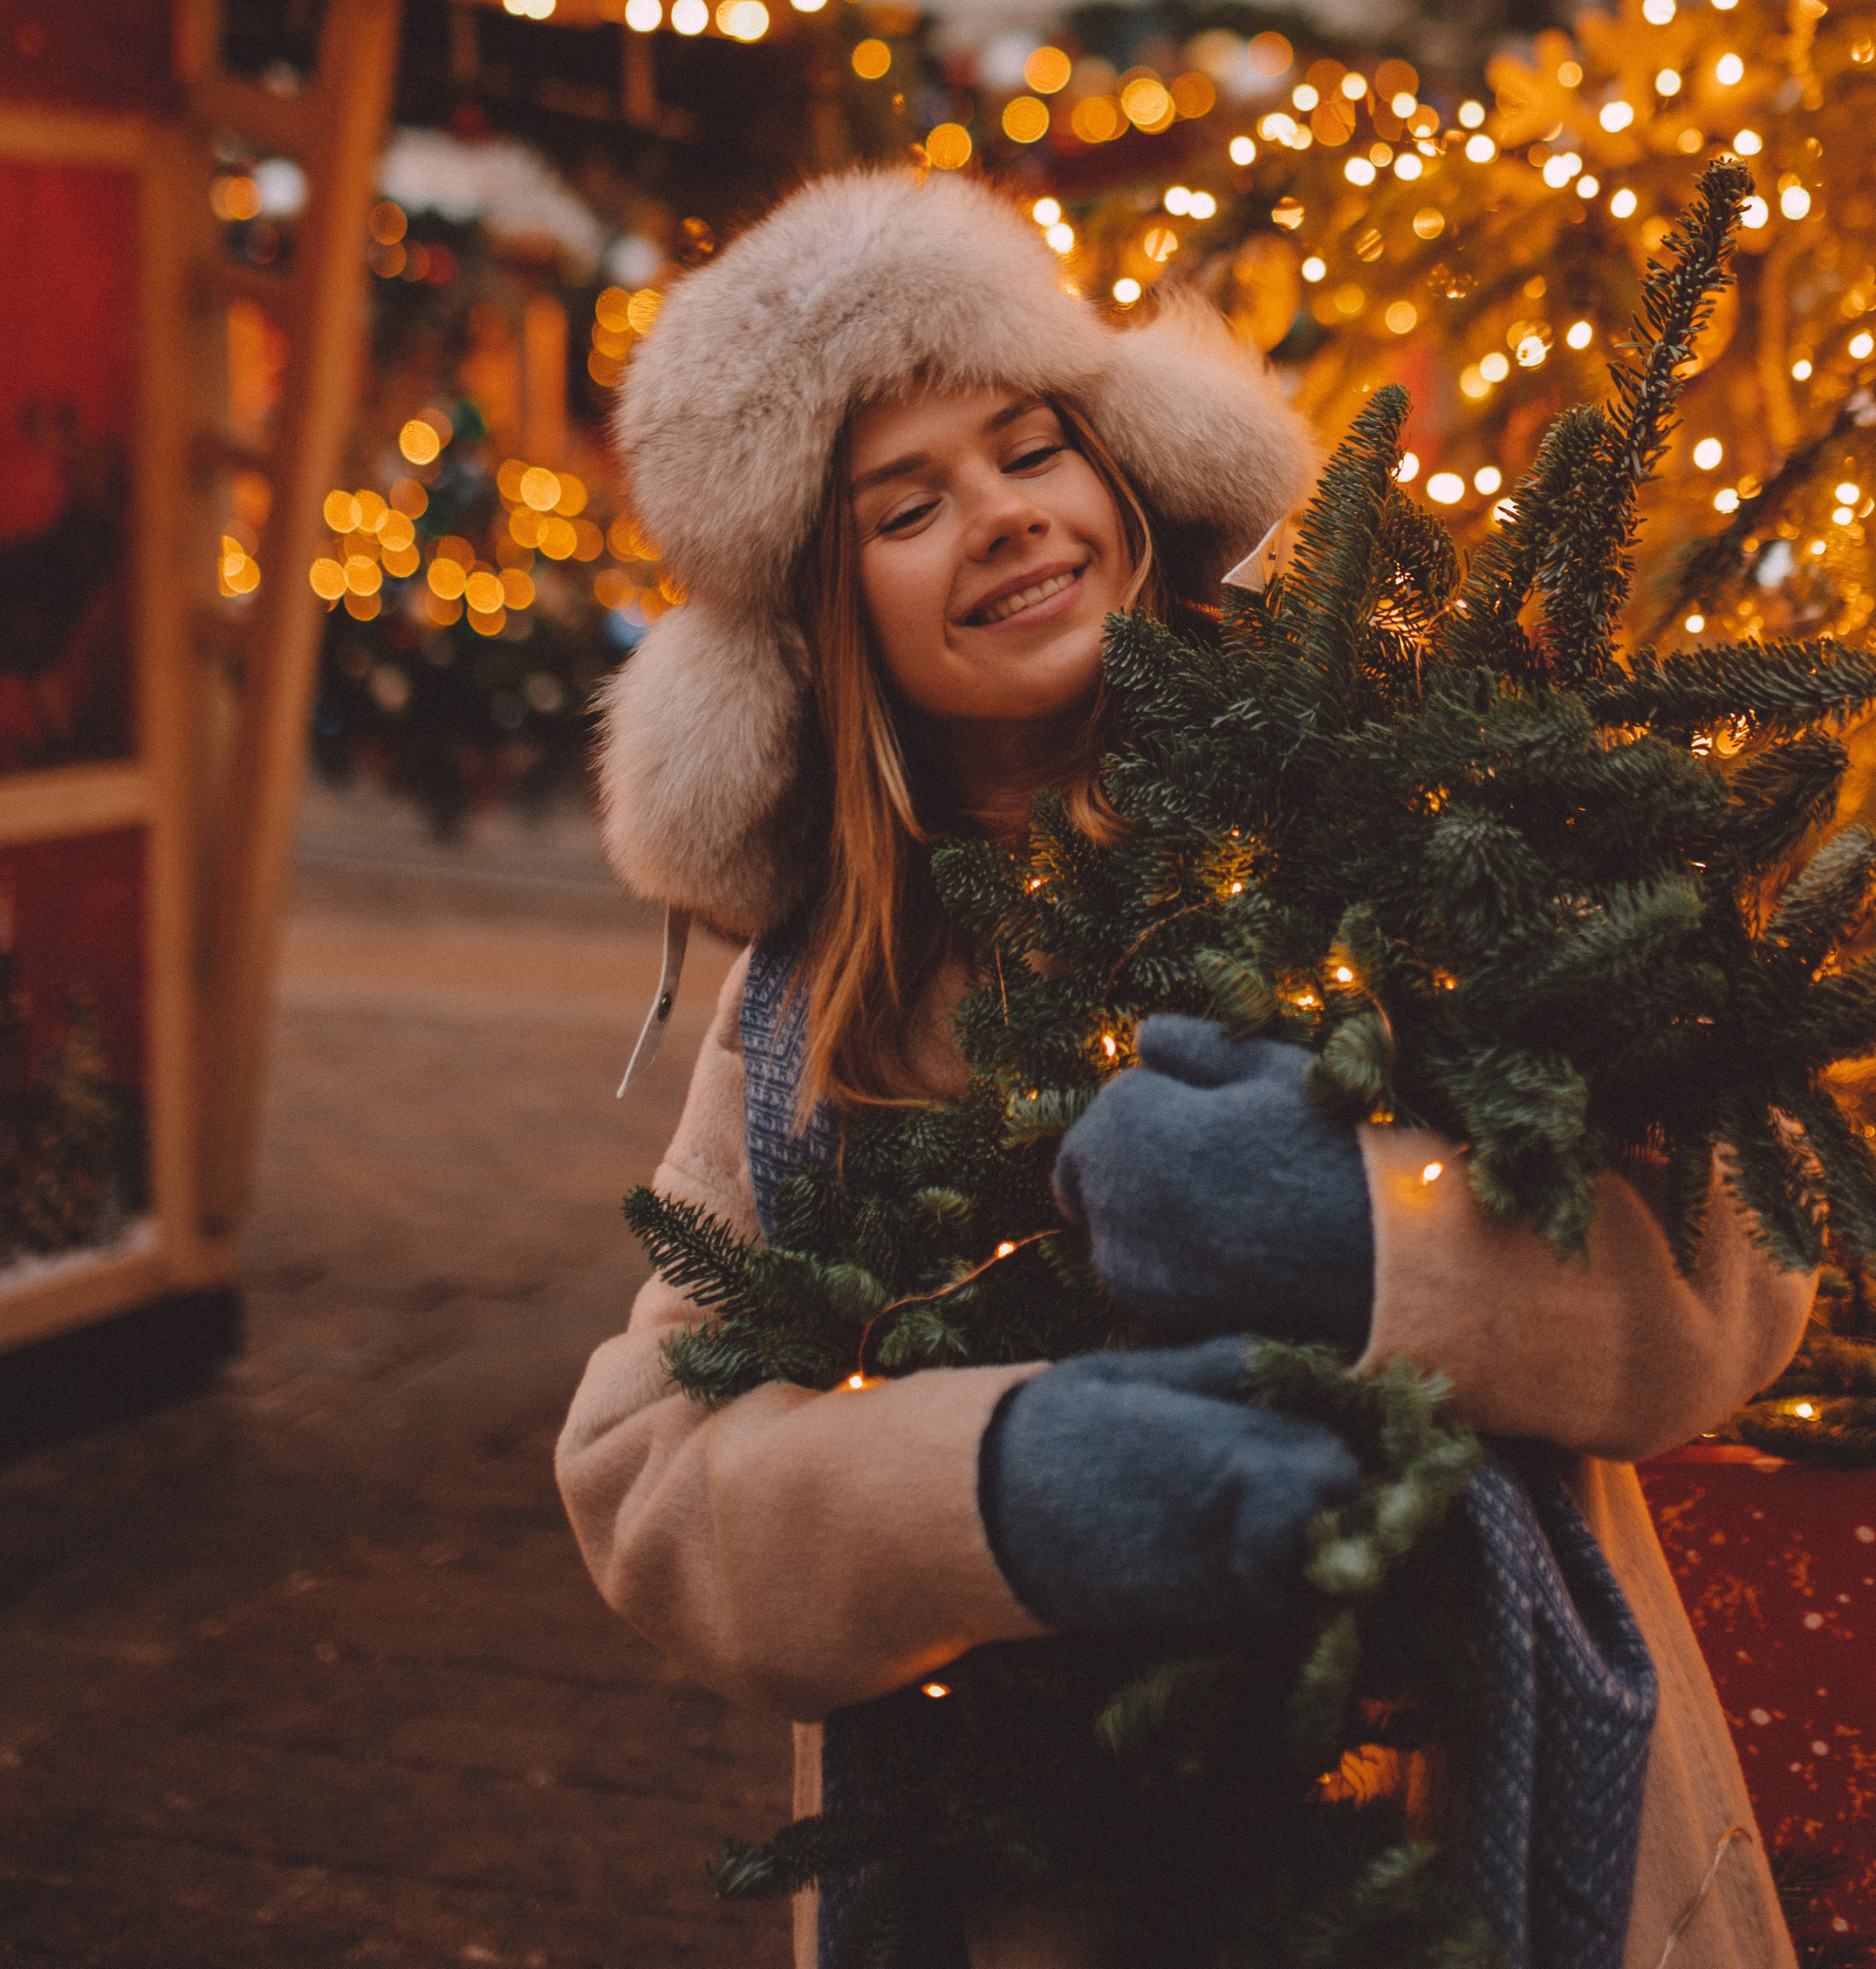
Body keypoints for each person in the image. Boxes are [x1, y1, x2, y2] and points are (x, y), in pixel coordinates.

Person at [558, 168, 1812, 1969]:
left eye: (1026, 445)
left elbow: (1731, 1270)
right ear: (823, 621)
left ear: (1120, 462)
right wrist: (1010, 1482)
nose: (997, 517)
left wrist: (1368, 1240)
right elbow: (647, 1485)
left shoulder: (1388, 814)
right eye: (905, 504)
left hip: (1449, 1820)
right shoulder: (825, 1001)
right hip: (1032, 1892)